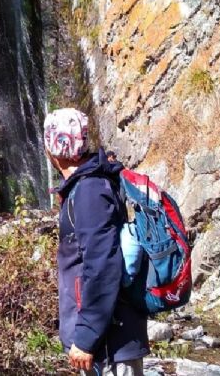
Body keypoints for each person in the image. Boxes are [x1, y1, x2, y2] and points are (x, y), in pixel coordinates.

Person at [44, 108, 149, 375]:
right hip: (107, 342)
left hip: (108, 345)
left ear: (53, 148)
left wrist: (86, 337)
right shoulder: (87, 185)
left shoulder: (89, 190)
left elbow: (101, 265)